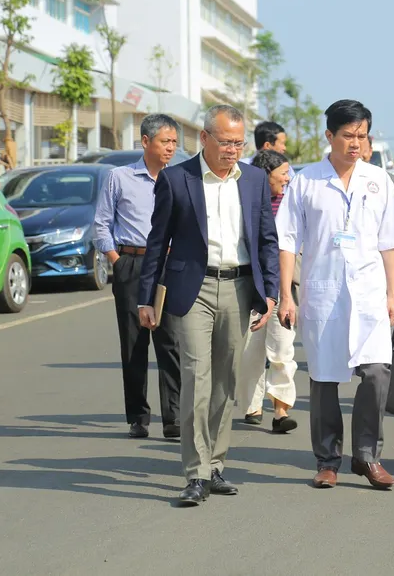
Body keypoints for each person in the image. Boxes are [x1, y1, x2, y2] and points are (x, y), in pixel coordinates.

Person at [138, 104, 280, 506]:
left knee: (224, 383)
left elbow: (266, 239)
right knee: (196, 378)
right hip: (192, 290)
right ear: (204, 138)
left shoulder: (254, 180)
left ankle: (216, 464)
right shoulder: (176, 179)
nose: (232, 150)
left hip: (239, 287)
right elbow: (156, 242)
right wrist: (146, 298)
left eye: (239, 143)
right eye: (225, 142)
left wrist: (271, 292)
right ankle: (196, 473)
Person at [277, 99, 394, 490]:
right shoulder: (307, 181)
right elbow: (287, 241)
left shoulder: (378, 180)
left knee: (376, 373)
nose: (356, 143)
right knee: (324, 379)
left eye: (362, 136)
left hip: (370, 295)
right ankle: (327, 460)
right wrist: (286, 295)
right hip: (324, 292)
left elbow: (391, 242)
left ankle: (367, 456)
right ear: (329, 135)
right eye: (348, 135)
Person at [93, 113, 182, 439]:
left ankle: (173, 416)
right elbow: (101, 224)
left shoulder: (180, 179)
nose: (171, 147)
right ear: (145, 141)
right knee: (134, 343)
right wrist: (117, 261)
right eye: (165, 141)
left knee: (170, 342)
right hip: (132, 262)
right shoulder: (119, 177)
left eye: (174, 142)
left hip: (168, 266)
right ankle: (138, 416)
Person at [237, 149, 299, 432]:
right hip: (252, 285)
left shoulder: (290, 204)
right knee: (251, 351)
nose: (287, 178)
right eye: (283, 173)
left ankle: (281, 410)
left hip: (283, 288)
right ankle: (253, 405)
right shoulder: (246, 201)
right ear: (266, 175)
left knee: (283, 349)